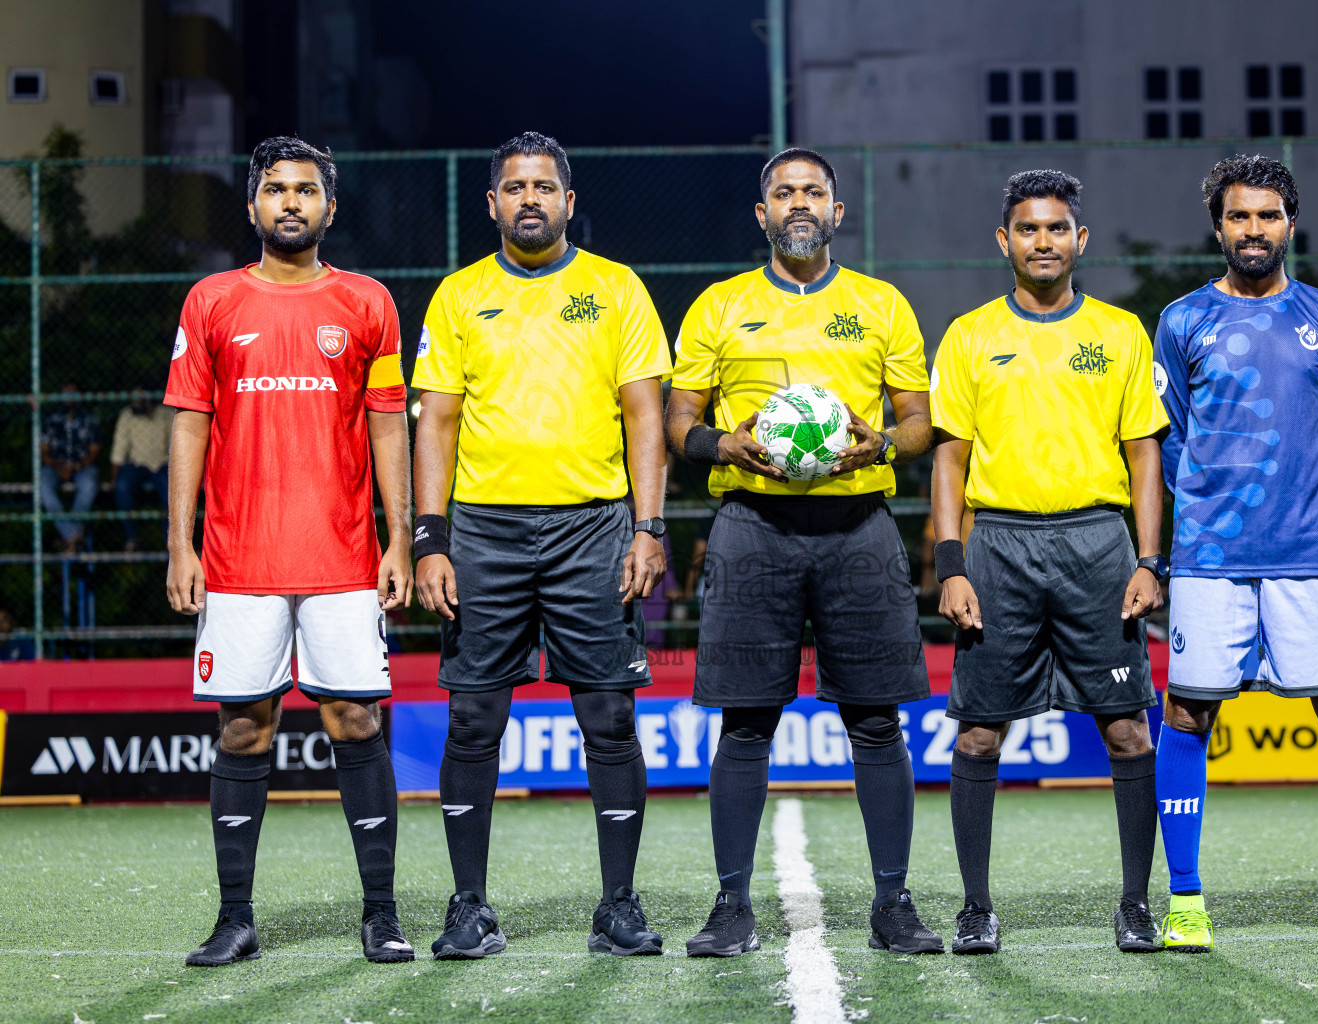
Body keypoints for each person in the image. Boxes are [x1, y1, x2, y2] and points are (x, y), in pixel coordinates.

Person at [666, 147, 940, 957]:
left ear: (835, 211)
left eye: (813, 192)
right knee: (745, 722)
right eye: (783, 192)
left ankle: (893, 905)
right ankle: (731, 908)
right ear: (763, 214)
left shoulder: (881, 304)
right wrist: (722, 444)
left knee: (876, 721)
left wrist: (879, 443)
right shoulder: (720, 305)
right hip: (752, 525)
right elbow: (679, 420)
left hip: (859, 527)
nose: (798, 203)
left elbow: (920, 424)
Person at [413, 132, 672, 959]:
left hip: (592, 527)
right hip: (483, 532)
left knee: (609, 715)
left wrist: (648, 526)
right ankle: (468, 907)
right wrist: (430, 539)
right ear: (493, 203)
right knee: (472, 718)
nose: (531, 198)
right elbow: (436, 423)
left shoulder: (617, 287)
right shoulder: (458, 295)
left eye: (545, 186)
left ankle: (619, 906)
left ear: (568, 200)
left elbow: (644, 415)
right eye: (516, 186)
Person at [164, 136, 415, 966]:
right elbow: (189, 423)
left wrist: (400, 539)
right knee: (244, 728)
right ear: (252, 205)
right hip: (239, 559)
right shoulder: (211, 301)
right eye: (276, 189)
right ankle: (235, 919)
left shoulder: (368, 302)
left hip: (343, 557)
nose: (291, 202)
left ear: (329, 208)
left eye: (306, 190)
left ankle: (381, 915)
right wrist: (180, 544)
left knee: (355, 719)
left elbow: (388, 425)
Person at [1152, 155, 1318, 953]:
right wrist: (1211, 513)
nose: (1252, 230)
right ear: (1217, 227)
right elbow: (1169, 440)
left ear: (1290, 223)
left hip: (1312, 556)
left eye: (1267, 215)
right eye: (1238, 216)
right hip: (1210, 559)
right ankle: (1186, 904)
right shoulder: (1182, 320)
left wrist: (1310, 504)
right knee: (1187, 714)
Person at [930, 170, 1170, 955]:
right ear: (1005, 241)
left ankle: (1135, 905)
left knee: (1127, 730)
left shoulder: (1120, 332)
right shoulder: (969, 335)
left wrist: (1150, 561)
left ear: (1080, 239)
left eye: (1057, 228)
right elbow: (949, 457)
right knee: (978, 736)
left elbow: (1144, 455)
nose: (1044, 242)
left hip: (1098, 547)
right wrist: (951, 564)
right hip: (998, 547)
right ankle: (975, 908)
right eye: (1029, 229)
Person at [39, 383, 101, 554]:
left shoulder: (89, 419)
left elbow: (94, 451)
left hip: (82, 467)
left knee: (89, 484)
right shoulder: (52, 420)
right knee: (43, 485)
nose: (69, 399)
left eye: (73, 395)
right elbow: (44, 452)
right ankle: (73, 534)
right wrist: (59, 466)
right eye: (66, 394)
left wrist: (76, 466)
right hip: (55, 466)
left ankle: (69, 538)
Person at [110, 395, 174, 550]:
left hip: (162, 463)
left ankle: (171, 541)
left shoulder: (166, 413)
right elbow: (119, 449)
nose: (136, 402)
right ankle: (132, 537)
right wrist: (113, 478)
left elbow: (174, 446)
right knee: (121, 487)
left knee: (171, 493)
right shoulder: (127, 414)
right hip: (136, 464)